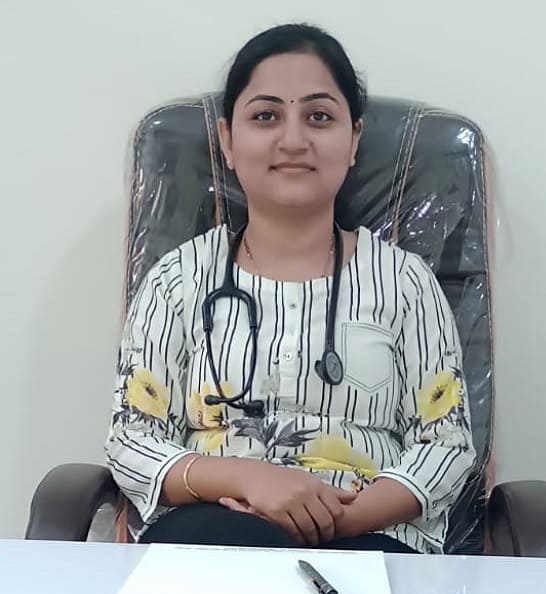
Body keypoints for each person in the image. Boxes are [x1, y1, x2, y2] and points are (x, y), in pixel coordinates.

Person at [105, 23, 476, 555]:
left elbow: (447, 445)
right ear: (228, 141)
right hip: (212, 532)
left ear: (354, 140)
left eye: (319, 116)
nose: (294, 140)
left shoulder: (406, 283)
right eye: (266, 116)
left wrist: (338, 519)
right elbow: (131, 440)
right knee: (226, 545)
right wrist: (248, 479)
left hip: (367, 536)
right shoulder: (177, 280)